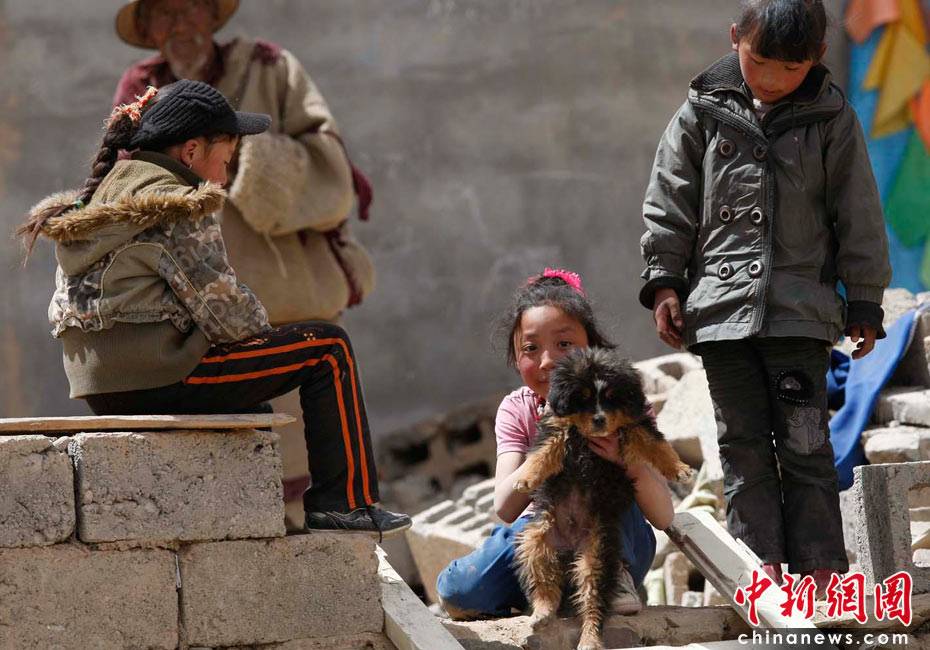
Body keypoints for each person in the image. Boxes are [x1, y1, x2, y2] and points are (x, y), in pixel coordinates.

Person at [18, 80, 410, 540]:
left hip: (99, 385)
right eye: (224, 161)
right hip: (160, 374)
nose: (222, 178)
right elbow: (227, 313)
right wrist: (269, 336)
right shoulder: (176, 201)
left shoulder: (103, 195)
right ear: (190, 151)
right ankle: (346, 504)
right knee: (327, 347)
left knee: (253, 402)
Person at [640, 0, 891, 593]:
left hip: (800, 318)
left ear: (818, 57)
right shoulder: (701, 112)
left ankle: (822, 577)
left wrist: (864, 299)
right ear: (735, 38)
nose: (774, 80)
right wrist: (665, 281)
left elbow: (858, 212)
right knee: (742, 447)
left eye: (792, 68)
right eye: (760, 63)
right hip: (721, 317)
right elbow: (670, 199)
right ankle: (763, 577)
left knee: (806, 446)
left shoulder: (832, 118)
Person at [111, 0, 376, 526]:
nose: (181, 25)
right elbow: (125, 201)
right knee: (221, 509)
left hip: (286, 312)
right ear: (147, 28)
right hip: (188, 344)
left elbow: (332, 178)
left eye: (192, 8)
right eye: (164, 14)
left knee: (307, 487)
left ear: (213, 16)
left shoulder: (269, 68)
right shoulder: (140, 91)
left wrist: (243, 162)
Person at [435, 269, 675, 620]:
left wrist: (626, 461)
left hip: (615, 537)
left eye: (564, 344)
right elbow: (505, 508)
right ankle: (547, 589)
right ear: (515, 359)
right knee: (459, 589)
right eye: (531, 349)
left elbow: (664, 515)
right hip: (545, 532)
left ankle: (610, 580)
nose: (547, 361)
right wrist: (550, 443)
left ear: (592, 347)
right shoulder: (517, 408)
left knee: (604, 489)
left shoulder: (621, 403)